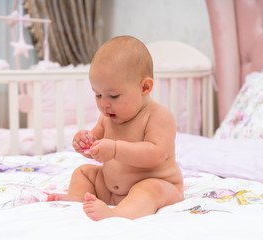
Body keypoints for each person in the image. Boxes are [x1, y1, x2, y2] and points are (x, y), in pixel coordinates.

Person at [47, 35, 184, 221]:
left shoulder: (158, 116)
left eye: (113, 96)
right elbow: (96, 148)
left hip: (156, 184)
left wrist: (115, 149)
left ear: (145, 87)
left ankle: (118, 214)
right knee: (83, 172)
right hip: (110, 189)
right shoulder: (107, 118)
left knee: (150, 189)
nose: (104, 104)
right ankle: (80, 198)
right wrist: (85, 143)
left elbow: (156, 153)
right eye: (98, 95)